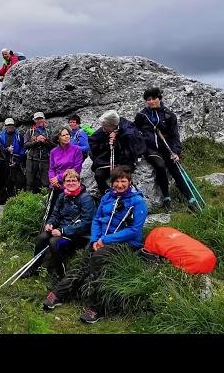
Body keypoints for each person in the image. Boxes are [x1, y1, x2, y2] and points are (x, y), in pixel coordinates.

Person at [42, 166, 147, 324]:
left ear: (130, 182)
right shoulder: (107, 198)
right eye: (116, 181)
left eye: (123, 181)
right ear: (111, 183)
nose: (119, 185)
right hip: (100, 239)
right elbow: (97, 220)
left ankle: (95, 308)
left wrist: (105, 240)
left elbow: (134, 230)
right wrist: (95, 239)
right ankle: (59, 294)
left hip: (125, 242)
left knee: (97, 260)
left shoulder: (137, 202)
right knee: (84, 262)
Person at [134, 87, 198, 212]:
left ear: (160, 99)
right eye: (148, 100)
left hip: (166, 147)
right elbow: (134, 130)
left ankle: (190, 199)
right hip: (150, 148)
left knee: (175, 169)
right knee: (160, 165)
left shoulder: (169, 116)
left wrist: (176, 152)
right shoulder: (141, 115)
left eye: (153, 99)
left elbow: (175, 136)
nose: (151, 102)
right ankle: (166, 197)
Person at [27, 169, 95, 281]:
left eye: (74, 180)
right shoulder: (62, 196)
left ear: (79, 182)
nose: (71, 183)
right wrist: (50, 224)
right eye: (68, 181)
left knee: (54, 242)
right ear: (64, 183)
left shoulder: (86, 199)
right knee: (42, 237)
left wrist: (63, 231)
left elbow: (86, 223)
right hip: (61, 230)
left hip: (79, 235)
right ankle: (34, 267)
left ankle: (60, 274)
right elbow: (55, 214)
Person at [89, 110, 146, 197]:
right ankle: (107, 195)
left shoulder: (128, 132)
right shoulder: (106, 128)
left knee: (120, 176)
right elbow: (93, 141)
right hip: (107, 159)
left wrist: (117, 144)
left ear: (113, 125)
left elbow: (132, 152)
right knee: (99, 175)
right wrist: (107, 144)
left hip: (124, 160)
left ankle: (127, 196)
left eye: (105, 127)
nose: (103, 129)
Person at [47, 125, 84, 215]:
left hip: (70, 182)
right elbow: (51, 168)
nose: (67, 137)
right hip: (56, 185)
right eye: (63, 135)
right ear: (58, 138)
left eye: (67, 134)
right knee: (52, 210)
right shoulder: (53, 152)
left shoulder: (76, 150)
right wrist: (53, 180)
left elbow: (77, 169)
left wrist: (58, 178)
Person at [24, 112, 55, 193]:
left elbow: (54, 146)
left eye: (41, 118)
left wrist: (45, 141)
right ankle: (29, 200)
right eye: (37, 119)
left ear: (44, 119)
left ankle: (45, 201)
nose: (39, 120)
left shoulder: (49, 132)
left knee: (45, 182)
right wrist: (37, 141)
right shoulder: (29, 131)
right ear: (34, 120)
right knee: (29, 182)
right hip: (31, 159)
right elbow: (25, 145)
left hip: (45, 159)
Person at [0, 118, 26, 198]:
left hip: (17, 162)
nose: (10, 126)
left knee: (18, 181)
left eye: (11, 125)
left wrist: (18, 158)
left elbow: (23, 148)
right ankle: (9, 198)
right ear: (5, 126)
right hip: (5, 162)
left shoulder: (19, 136)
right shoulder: (1, 137)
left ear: (14, 126)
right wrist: (7, 150)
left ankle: (18, 197)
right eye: (8, 125)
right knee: (7, 181)